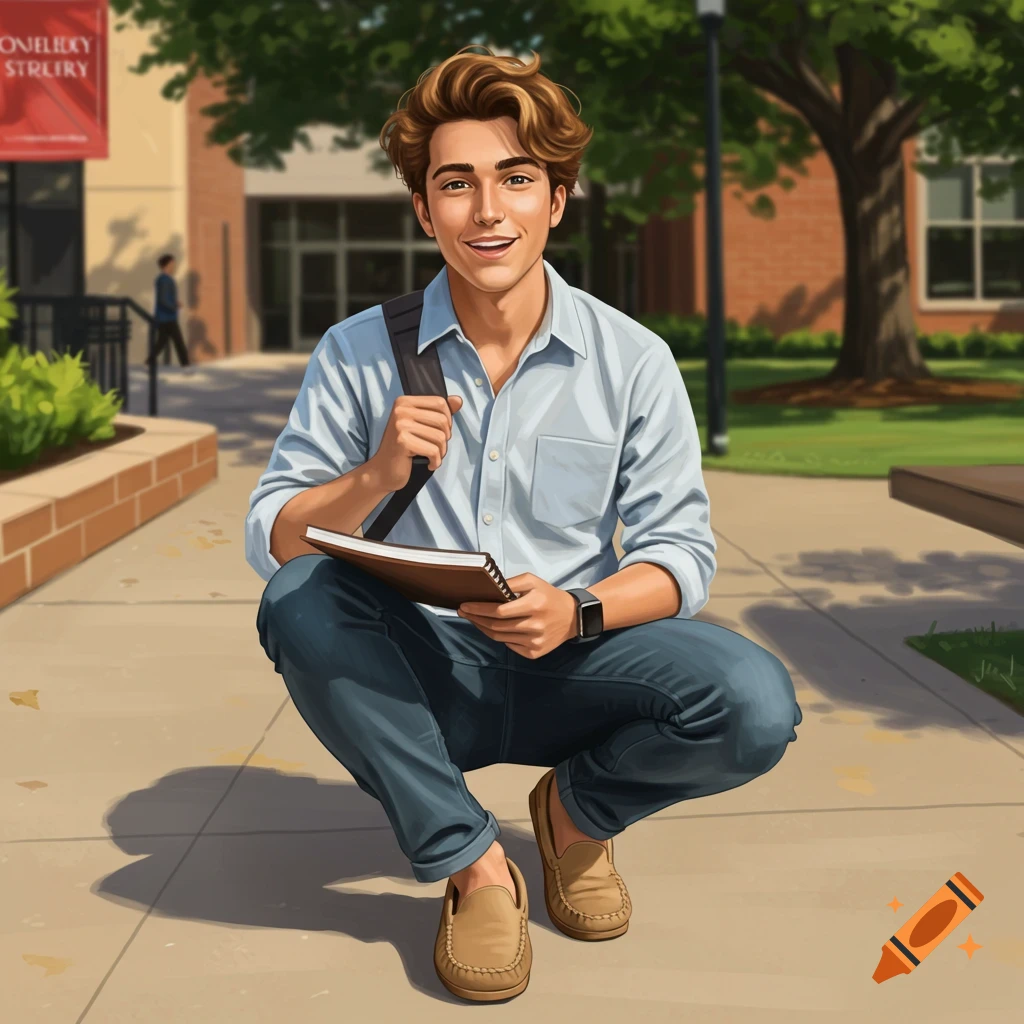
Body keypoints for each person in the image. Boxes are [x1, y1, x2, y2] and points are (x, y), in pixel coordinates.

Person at [246, 47, 802, 1003]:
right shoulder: (357, 352)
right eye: (456, 184)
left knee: (753, 702)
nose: (488, 210)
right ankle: (473, 867)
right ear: (425, 210)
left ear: (557, 198)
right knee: (298, 600)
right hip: (425, 668)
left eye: (516, 179)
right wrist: (374, 474)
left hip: (577, 663)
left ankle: (576, 818)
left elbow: (682, 554)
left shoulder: (631, 360)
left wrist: (579, 610)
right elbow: (278, 537)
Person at [149, 253, 189, 367]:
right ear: (165, 265)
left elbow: (166, 297)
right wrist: (174, 306)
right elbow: (163, 299)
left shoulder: (165, 279)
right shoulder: (164, 280)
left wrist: (175, 303)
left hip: (166, 316)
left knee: (162, 342)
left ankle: (149, 362)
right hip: (166, 317)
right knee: (178, 342)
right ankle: (186, 365)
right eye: (172, 264)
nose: (174, 266)